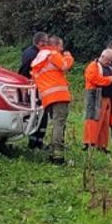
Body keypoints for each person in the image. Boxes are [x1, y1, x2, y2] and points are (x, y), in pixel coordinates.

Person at [30, 35, 74, 163]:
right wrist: (68, 56)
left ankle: (52, 151)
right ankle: (58, 156)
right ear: (54, 45)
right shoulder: (53, 54)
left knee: (54, 124)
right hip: (59, 95)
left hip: (47, 97)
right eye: (61, 46)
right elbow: (65, 66)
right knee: (59, 124)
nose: (62, 49)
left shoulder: (40, 58)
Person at [82, 48, 112, 152]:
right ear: (102, 56)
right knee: (93, 120)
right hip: (95, 97)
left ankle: (102, 146)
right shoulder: (93, 66)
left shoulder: (110, 68)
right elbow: (95, 79)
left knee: (104, 123)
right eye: (108, 60)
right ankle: (89, 143)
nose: (109, 62)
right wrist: (109, 80)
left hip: (107, 98)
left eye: (110, 60)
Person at [20, 31, 48, 149]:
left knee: (37, 115)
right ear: (40, 43)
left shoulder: (28, 51)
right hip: (35, 88)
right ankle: (36, 143)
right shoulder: (36, 55)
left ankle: (35, 141)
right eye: (46, 42)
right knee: (40, 115)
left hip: (30, 87)